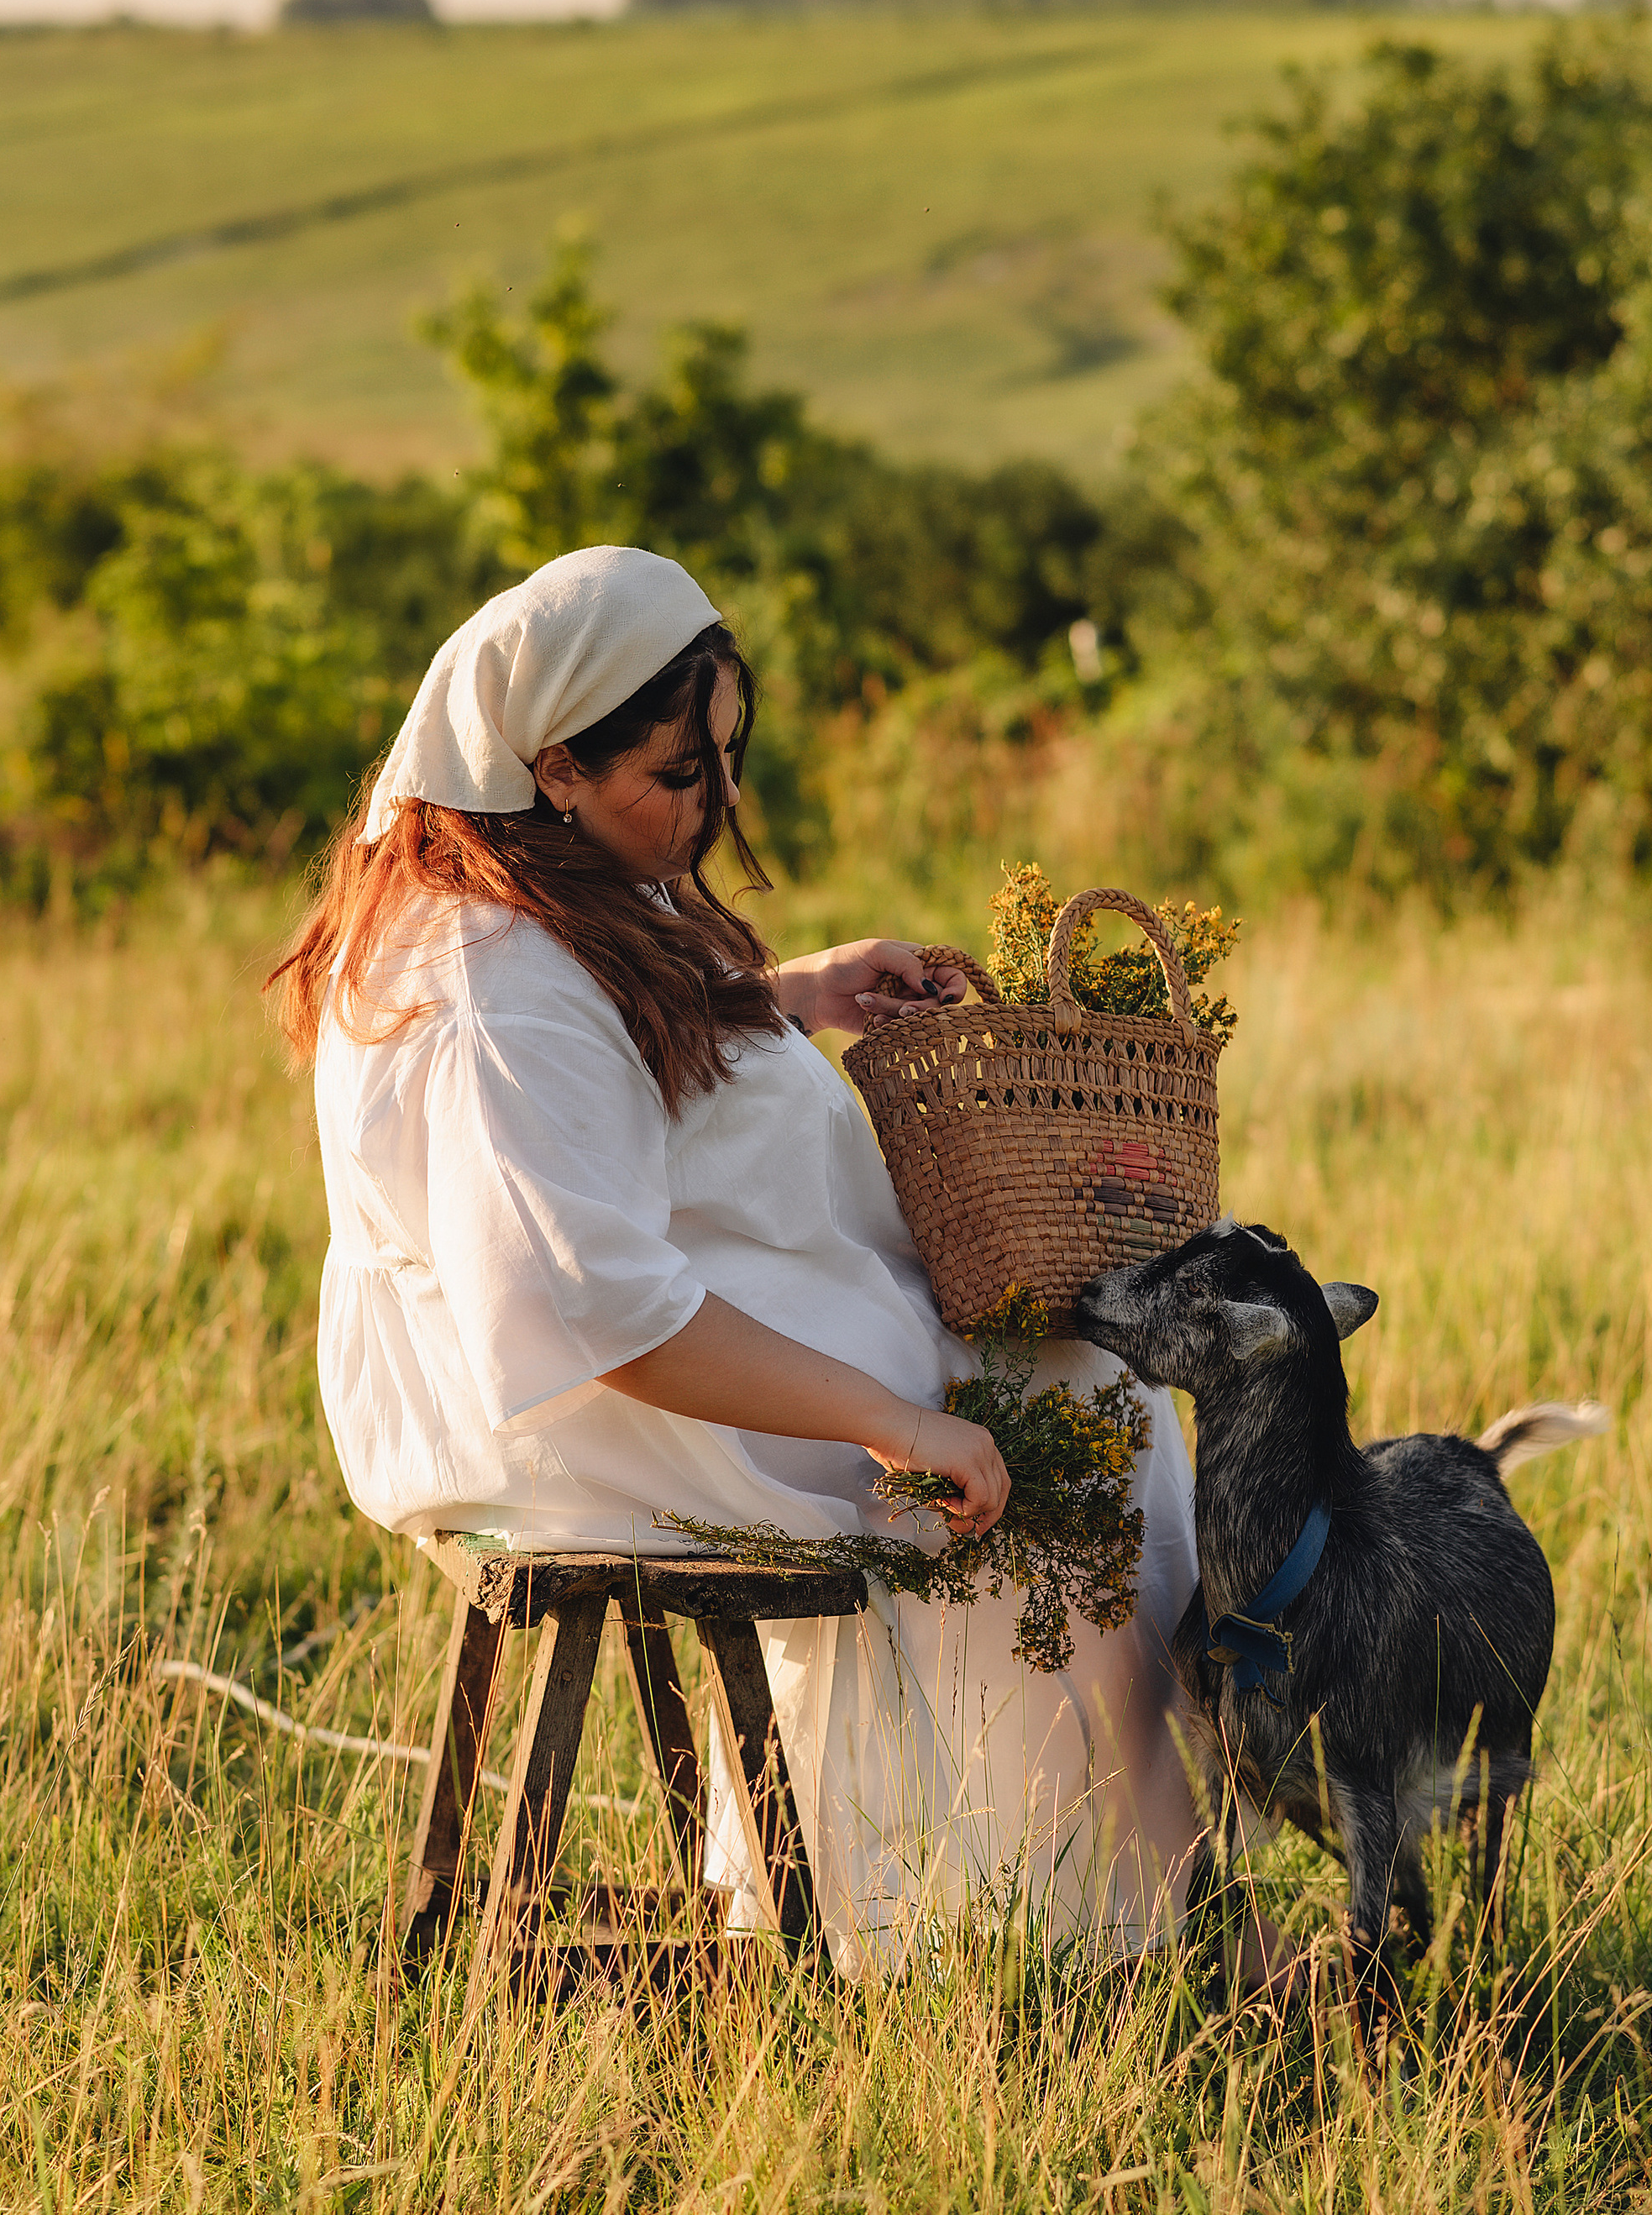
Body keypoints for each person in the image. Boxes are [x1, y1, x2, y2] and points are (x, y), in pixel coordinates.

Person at [270, 543, 1203, 1968]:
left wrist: (795, 992)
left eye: (723, 759)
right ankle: (1050, 1926)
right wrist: (895, 1418)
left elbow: (604, 1085)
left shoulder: (529, 865)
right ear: (558, 761)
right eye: (677, 773)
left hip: (614, 1327)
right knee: (1069, 1416)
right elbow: (597, 1308)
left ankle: (1099, 1898)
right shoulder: (486, 990)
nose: (712, 806)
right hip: (576, 1406)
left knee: (1076, 1366)